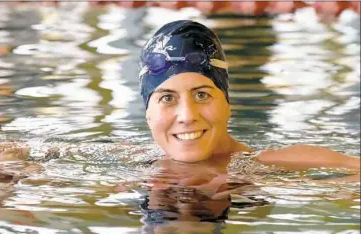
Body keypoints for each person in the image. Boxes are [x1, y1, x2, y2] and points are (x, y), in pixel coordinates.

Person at [138, 20, 360, 174]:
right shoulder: (136, 162)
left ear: (227, 104)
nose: (187, 116)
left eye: (202, 94)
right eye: (167, 98)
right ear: (148, 114)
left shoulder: (262, 167)